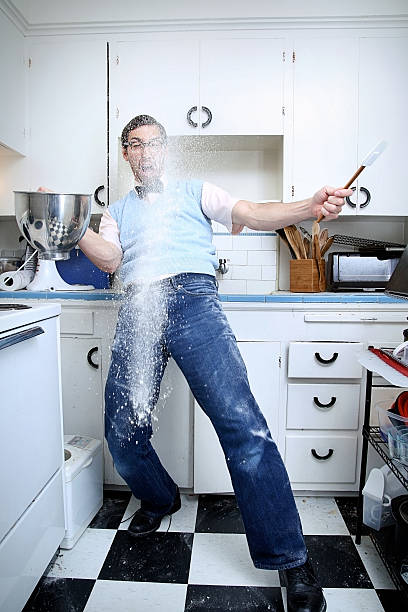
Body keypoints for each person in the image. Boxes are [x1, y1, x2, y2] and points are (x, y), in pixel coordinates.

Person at [78, 114, 352, 612]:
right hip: (139, 306)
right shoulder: (115, 211)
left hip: (192, 303)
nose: (145, 152)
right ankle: (161, 498)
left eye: (154, 143)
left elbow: (253, 211)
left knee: (242, 427)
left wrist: (308, 205)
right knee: (121, 433)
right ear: (125, 155)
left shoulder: (195, 191)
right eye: (134, 145)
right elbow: (111, 260)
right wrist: (74, 226)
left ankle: (291, 558)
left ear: (166, 149)